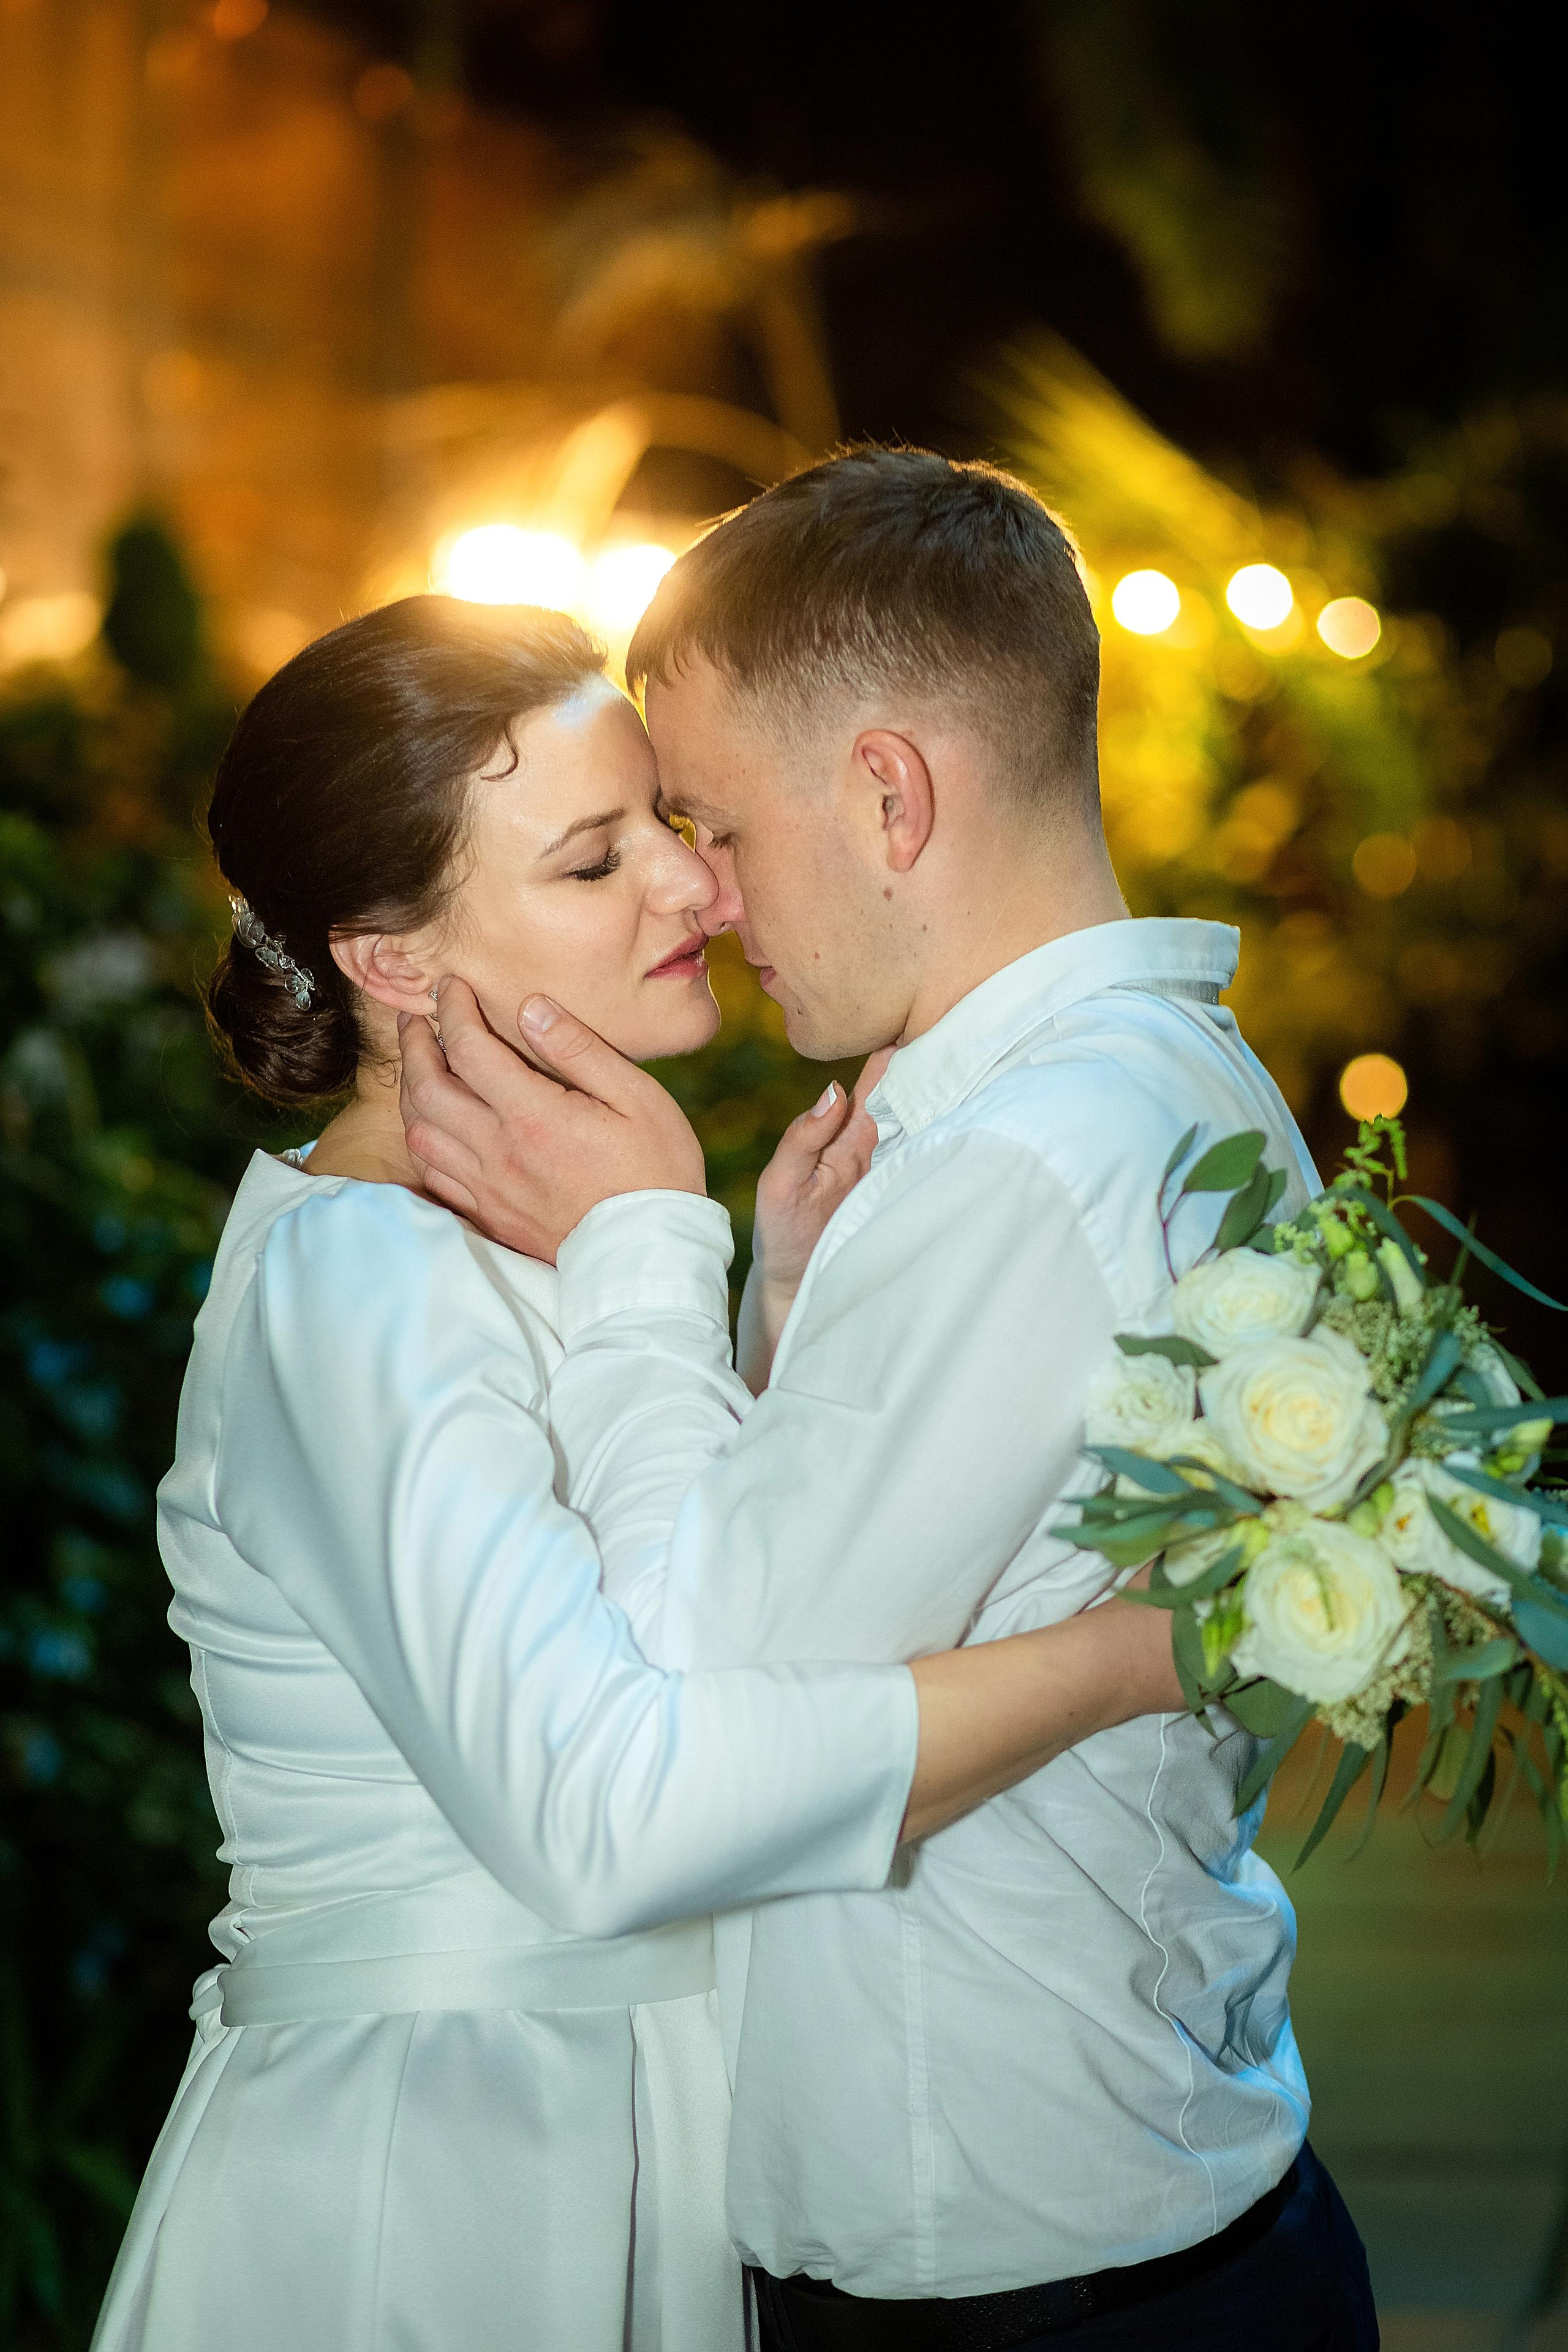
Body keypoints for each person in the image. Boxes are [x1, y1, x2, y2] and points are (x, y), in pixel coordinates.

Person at [90, 595, 1185, 2352]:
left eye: (669, 825)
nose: (695, 888)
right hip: (443, 2187)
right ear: (391, 960)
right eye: (597, 863)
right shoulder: (355, 1283)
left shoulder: (529, 1231)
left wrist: (745, 1327)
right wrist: (1139, 1658)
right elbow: (612, 1816)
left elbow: (678, 1627)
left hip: (632, 2134)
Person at [399, 451, 1381, 2351]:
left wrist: (635, 1252)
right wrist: (778, 1316)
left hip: (1035, 2284)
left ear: (891, 792)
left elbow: (701, 1709)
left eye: (719, 827)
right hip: (1123, 2221)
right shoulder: (1173, 1084)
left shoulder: (1022, 1165)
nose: (700, 891)